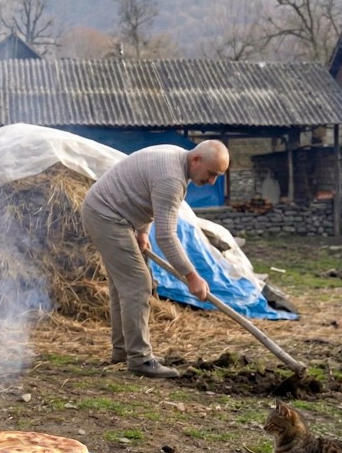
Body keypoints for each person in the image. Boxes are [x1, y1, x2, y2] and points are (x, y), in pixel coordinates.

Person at [80, 141, 230, 378]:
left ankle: (123, 351)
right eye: (212, 174)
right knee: (138, 283)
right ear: (196, 160)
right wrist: (192, 277)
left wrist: (142, 232)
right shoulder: (172, 179)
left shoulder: (175, 157)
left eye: (217, 177)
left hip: (107, 212)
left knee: (124, 286)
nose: (212, 182)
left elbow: (148, 199)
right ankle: (140, 359)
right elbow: (168, 237)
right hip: (106, 216)